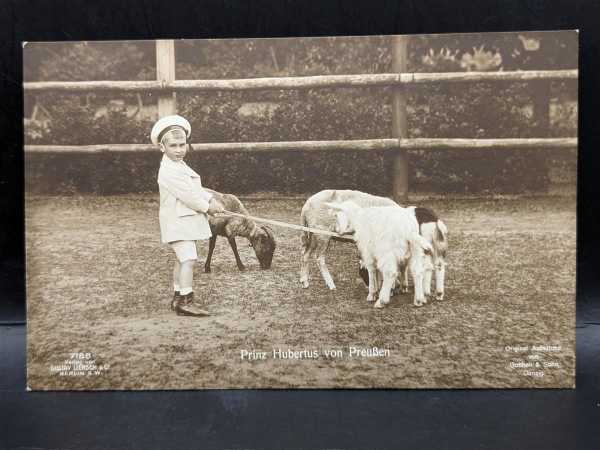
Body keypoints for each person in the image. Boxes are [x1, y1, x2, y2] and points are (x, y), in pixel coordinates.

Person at [151, 115, 225, 317]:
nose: (178, 150)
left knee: (182, 258)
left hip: (183, 220)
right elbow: (189, 196)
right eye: (173, 145)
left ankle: (177, 297)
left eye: (182, 145)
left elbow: (194, 188)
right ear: (162, 147)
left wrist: (210, 199)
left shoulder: (178, 164)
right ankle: (186, 301)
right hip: (177, 221)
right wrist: (207, 207)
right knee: (189, 259)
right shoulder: (168, 170)